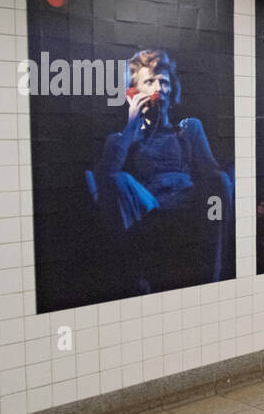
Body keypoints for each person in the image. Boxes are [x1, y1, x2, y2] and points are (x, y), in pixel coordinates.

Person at [94, 49, 233, 291]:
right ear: (133, 91)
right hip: (149, 205)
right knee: (117, 179)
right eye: (149, 81)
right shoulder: (121, 139)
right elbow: (106, 178)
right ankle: (135, 278)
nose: (159, 88)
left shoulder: (187, 129)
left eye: (164, 81)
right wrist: (131, 125)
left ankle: (214, 278)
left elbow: (212, 173)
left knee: (221, 181)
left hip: (188, 198)